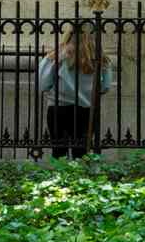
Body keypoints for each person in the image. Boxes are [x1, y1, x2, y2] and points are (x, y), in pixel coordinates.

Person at [37, 27, 111, 159]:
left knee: (59, 153)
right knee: (81, 154)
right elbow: (104, 87)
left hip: (58, 109)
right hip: (86, 111)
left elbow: (43, 84)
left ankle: (59, 179)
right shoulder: (101, 58)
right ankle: (80, 179)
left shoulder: (55, 55)